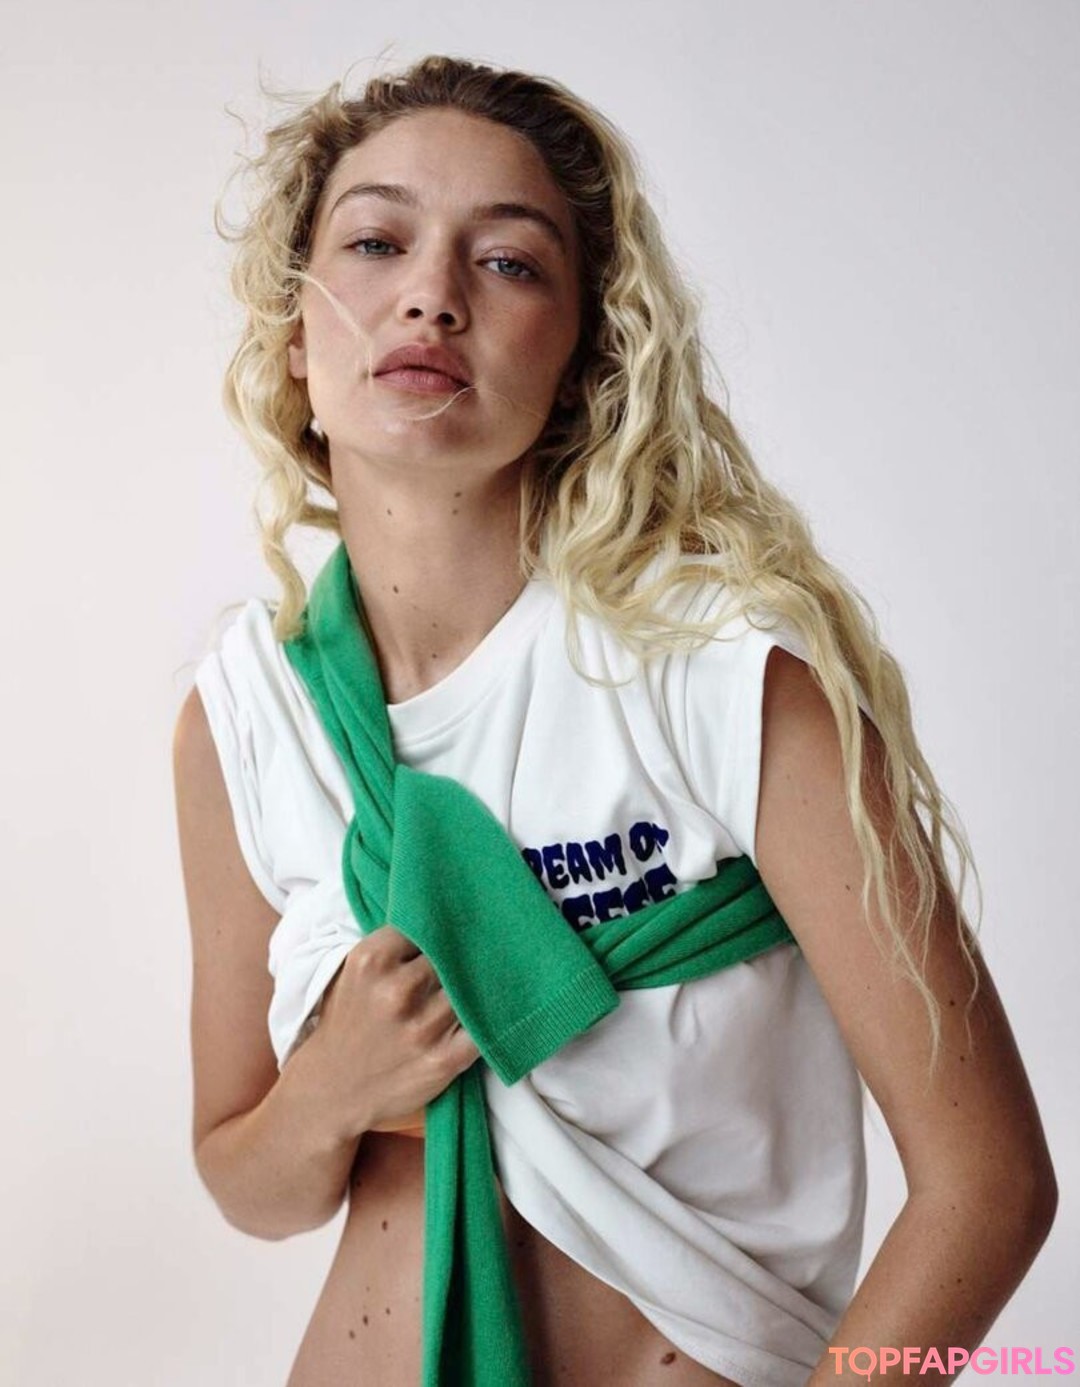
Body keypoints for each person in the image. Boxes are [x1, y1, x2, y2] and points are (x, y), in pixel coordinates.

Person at [172, 54, 1057, 1387]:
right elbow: (249, 1182)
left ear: (585, 358)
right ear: (298, 335)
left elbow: (990, 1186)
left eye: (509, 263)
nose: (432, 293)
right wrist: (333, 1089)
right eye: (376, 242)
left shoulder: (724, 676)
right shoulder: (246, 716)